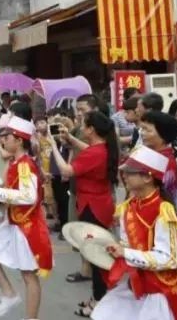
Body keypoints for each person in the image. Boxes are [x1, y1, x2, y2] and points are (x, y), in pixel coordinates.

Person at [92, 146, 177, 320]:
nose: (124, 176)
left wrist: (126, 253)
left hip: (160, 288)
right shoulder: (129, 206)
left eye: (130, 172)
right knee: (104, 313)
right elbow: (126, 243)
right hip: (137, 282)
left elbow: (170, 259)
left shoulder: (163, 211)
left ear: (147, 177)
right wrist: (112, 250)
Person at [0, 116, 53, 319]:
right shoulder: (17, 161)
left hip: (27, 227)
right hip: (15, 221)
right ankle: (9, 294)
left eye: (7, 137)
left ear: (19, 140)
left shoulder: (24, 164)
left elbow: (29, 196)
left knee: (29, 276)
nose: (4, 140)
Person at [48, 110, 119, 315]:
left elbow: (66, 171)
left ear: (91, 129)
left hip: (92, 206)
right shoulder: (103, 148)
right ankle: (98, 297)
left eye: (84, 124)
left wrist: (53, 145)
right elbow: (89, 149)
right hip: (100, 203)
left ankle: (98, 302)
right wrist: (70, 139)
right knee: (97, 254)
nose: (81, 126)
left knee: (95, 257)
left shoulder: (94, 153)